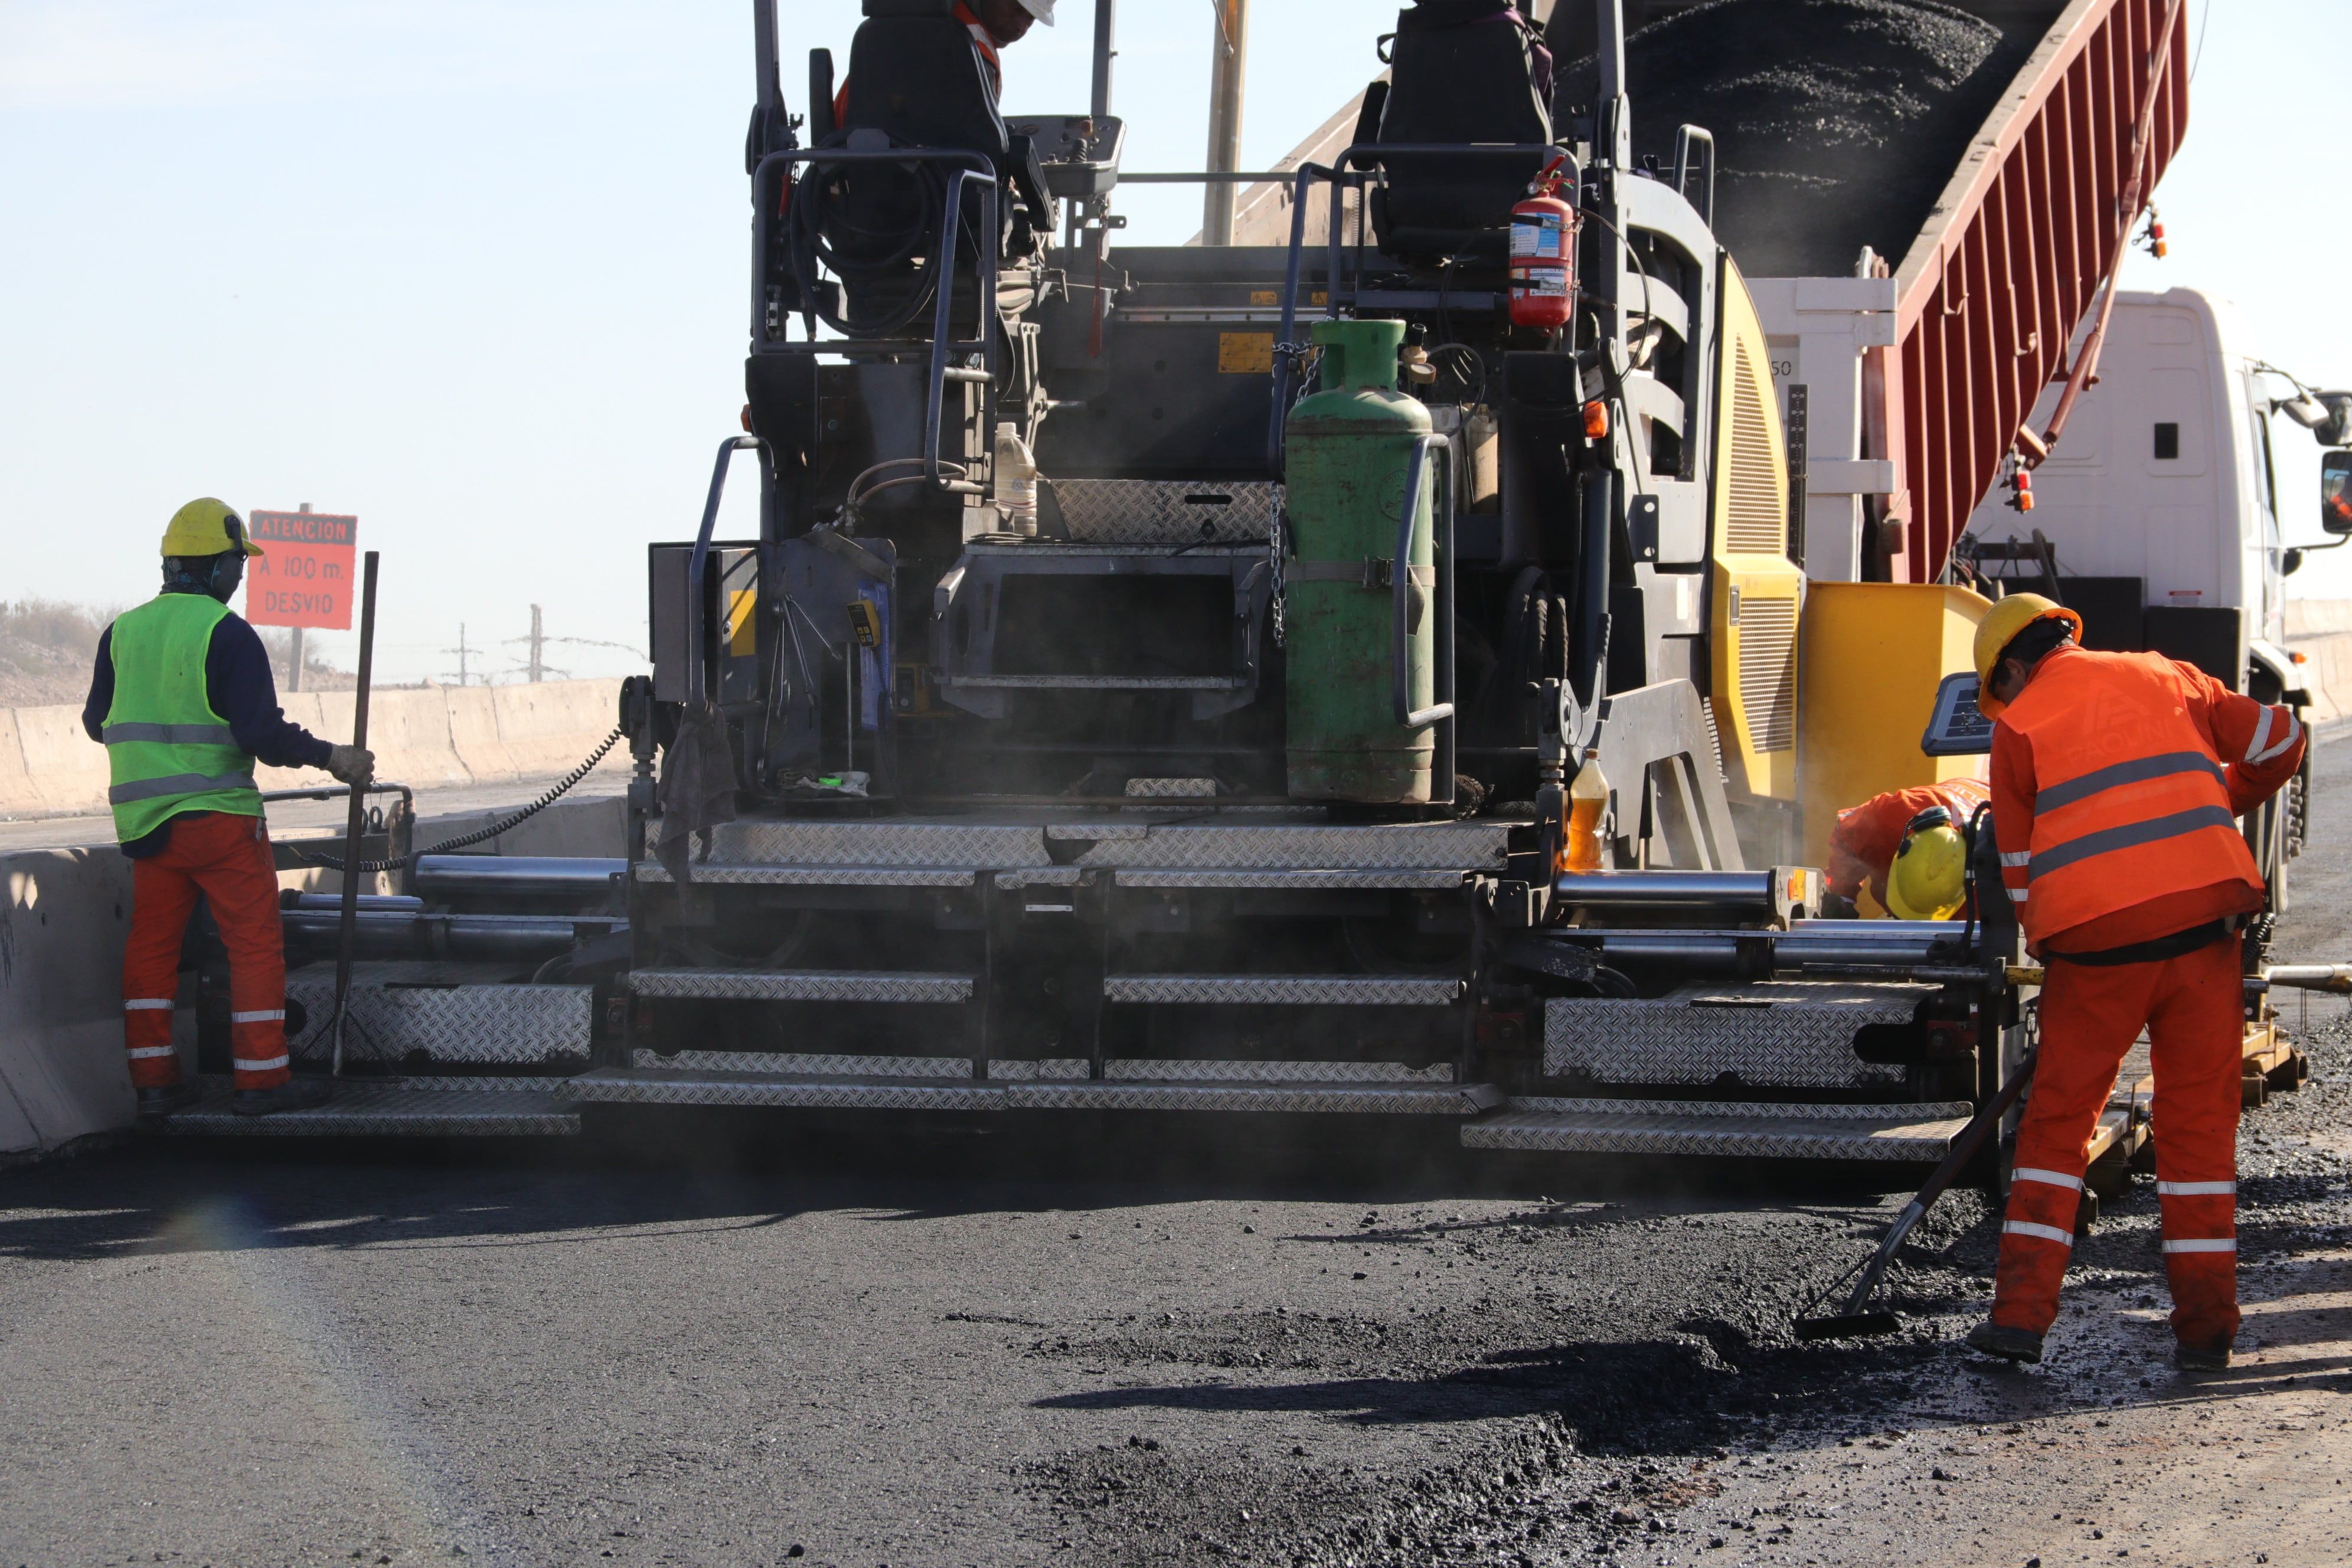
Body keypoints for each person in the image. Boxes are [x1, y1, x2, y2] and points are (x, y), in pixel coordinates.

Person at [1962, 594, 2304, 1371]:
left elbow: (2018, 872)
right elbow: (2283, 740)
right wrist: (2222, 799)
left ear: (2014, 668)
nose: (2003, 704)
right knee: (2197, 1136)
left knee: (2056, 1132)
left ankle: (2019, 1319)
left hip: (2098, 954)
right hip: (2206, 936)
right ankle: (2207, 1327)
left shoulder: (2018, 727)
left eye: (2000, 687)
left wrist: (2053, 952)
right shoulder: (2167, 676)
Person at [81, 499, 375, 1118]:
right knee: (254, 944)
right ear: (212, 566)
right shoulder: (227, 634)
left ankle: (156, 1083)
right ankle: (262, 1080)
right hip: (218, 821)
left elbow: (95, 723)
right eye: (236, 563)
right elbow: (260, 735)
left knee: (153, 948)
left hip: (147, 828)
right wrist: (332, 757)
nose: (241, 576)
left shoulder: (121, 632)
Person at [832, 0, 1054, 123]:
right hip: (942, 198)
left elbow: (840, 123)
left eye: (1030, 20)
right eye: (1017, 10)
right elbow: (982, 147)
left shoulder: (874, 38)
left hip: (856, 191)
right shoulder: (973, 48)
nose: (1021, 26)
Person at [1823, 777, 1992, 917]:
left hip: (1985, 791)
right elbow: (1846, 831)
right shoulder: (1890, 816)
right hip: (1968, 789)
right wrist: (1843, 896)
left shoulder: (1988, 892)